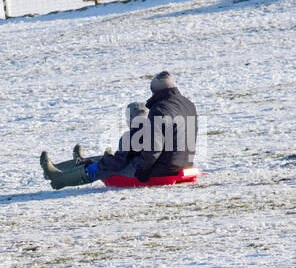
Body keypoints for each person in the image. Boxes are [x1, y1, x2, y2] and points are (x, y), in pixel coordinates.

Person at [40, 71, 198, 189]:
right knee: (117, 158)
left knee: (108, 165)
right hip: (184, 164)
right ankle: (83, 164)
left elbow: (153, 150)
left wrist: (143, 171)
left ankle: (60, 179)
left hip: (161, 169)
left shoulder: (160, 109)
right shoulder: (189, 105)